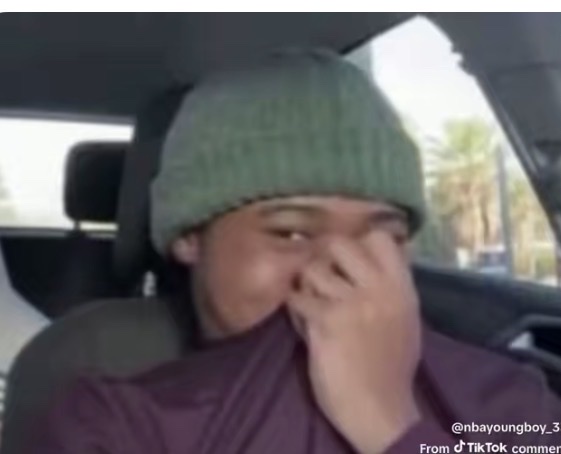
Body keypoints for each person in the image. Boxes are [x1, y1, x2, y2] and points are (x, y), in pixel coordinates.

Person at [28, 50, 561, 453]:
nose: (339, 273)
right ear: (189, 236)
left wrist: (390, 424)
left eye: (381, 238)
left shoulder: (505, 404)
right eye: (290, 234)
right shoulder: (117, 424)